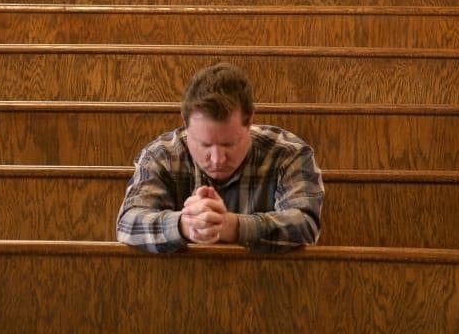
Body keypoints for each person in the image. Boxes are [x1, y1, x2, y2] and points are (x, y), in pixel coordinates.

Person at [115, 62, 324, 253]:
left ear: (249, 121)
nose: (216, 159)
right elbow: (127, 224)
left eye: (228, 144)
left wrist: (231, 226)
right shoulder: (161, 155)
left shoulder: (288, 154)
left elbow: (306, 225)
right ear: (185, 124)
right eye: (204, 144)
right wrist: (184, 225)